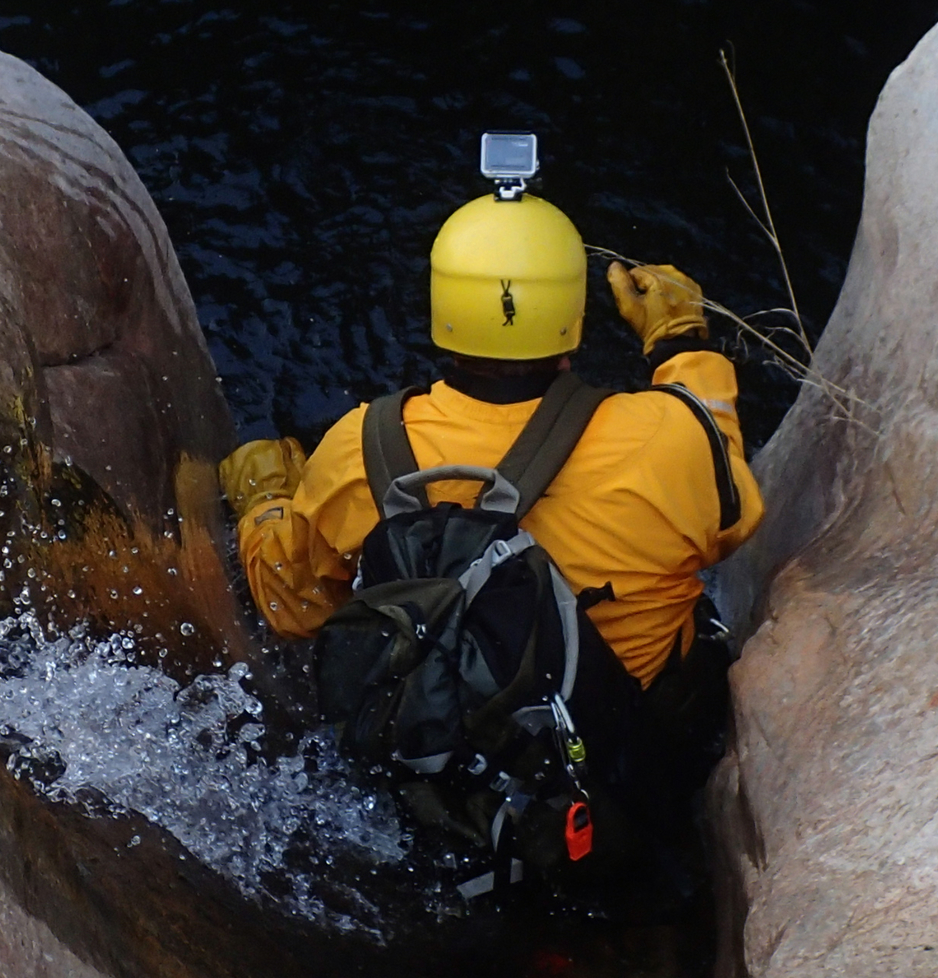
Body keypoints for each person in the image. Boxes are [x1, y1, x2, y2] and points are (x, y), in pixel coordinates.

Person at [219, 185, 765, 874]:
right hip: (627, 792)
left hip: (451, 804)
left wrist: (266, 504)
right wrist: (682, 341)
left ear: (443, 311)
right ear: (572, 317)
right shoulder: (669, 437)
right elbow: (734, 511)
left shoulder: (360, 447)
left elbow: (293, 606)